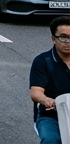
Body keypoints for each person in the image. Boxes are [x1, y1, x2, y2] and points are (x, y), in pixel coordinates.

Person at [31, 15, 70, 143]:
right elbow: (36, 92)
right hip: (51, 116)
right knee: (51, 140)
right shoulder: (43, 61)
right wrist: (46, 100)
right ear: (53, 39)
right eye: (63, 37)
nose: (68, 42)